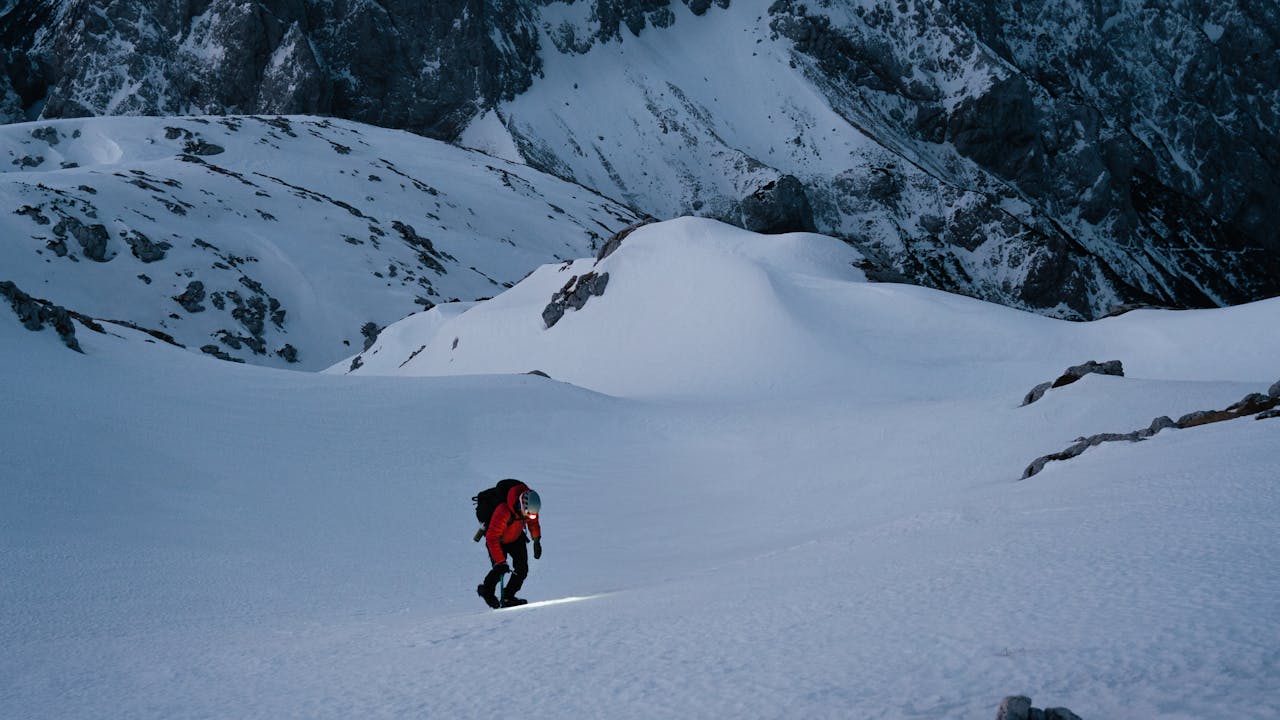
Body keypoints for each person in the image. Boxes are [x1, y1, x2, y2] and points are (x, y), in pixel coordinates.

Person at [477, 483, 542, 608]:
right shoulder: (503, 511)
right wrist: (501, 561)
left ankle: (508, 596)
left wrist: (536, 540)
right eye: (527, 514)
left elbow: (533, 523)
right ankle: (487, 591)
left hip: (516, 537)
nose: (530, 517)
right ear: (521, 505)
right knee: (500, 569)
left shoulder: (531, 508)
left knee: (522, 569)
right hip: (498, 540)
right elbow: (492, 537)